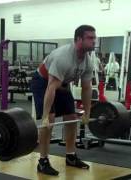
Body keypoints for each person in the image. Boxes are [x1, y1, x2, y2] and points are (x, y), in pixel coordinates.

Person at [30, 25, 96, 176]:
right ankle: (43, 161)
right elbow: (51, 88)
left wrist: (87, 112)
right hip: (42, 82)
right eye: (90, 38)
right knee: (50, 120)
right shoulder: (63, 57)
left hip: (63, 84)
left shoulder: (87, 61)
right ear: (79, 39)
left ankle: (71, 156)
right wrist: (46, 116)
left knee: (72, 118)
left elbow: (86, 88)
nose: (94, 41)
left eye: (94, 38)